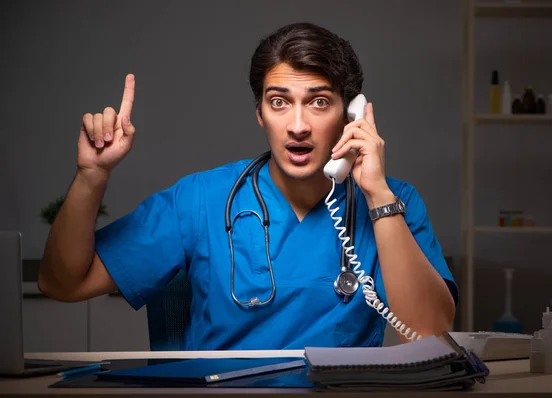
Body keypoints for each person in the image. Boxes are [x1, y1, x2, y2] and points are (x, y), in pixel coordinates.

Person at [38, 22, 457, 350]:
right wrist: (92, 176)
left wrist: (378, 196)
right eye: (279, 102)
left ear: (351, 115)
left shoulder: (394, 203)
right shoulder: (201, 200)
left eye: (318, 102)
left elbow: (429, 333)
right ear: (259, 112)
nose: (297, 126)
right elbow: (62, 284)